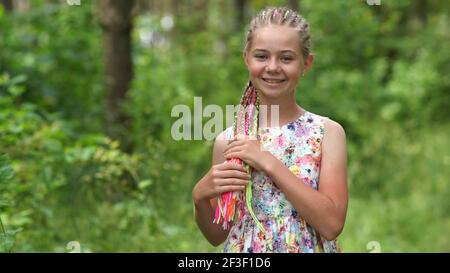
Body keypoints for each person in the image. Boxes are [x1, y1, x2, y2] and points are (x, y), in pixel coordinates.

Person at [192, 6, 348, 253]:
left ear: (306, 63)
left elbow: (331, 224)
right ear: (246, 59)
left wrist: (267, 161)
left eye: (286, 58)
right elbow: (217, 234)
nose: (273, 67)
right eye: (262, 56)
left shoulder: (327, 133)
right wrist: (200, 197)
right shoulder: (231, 141)